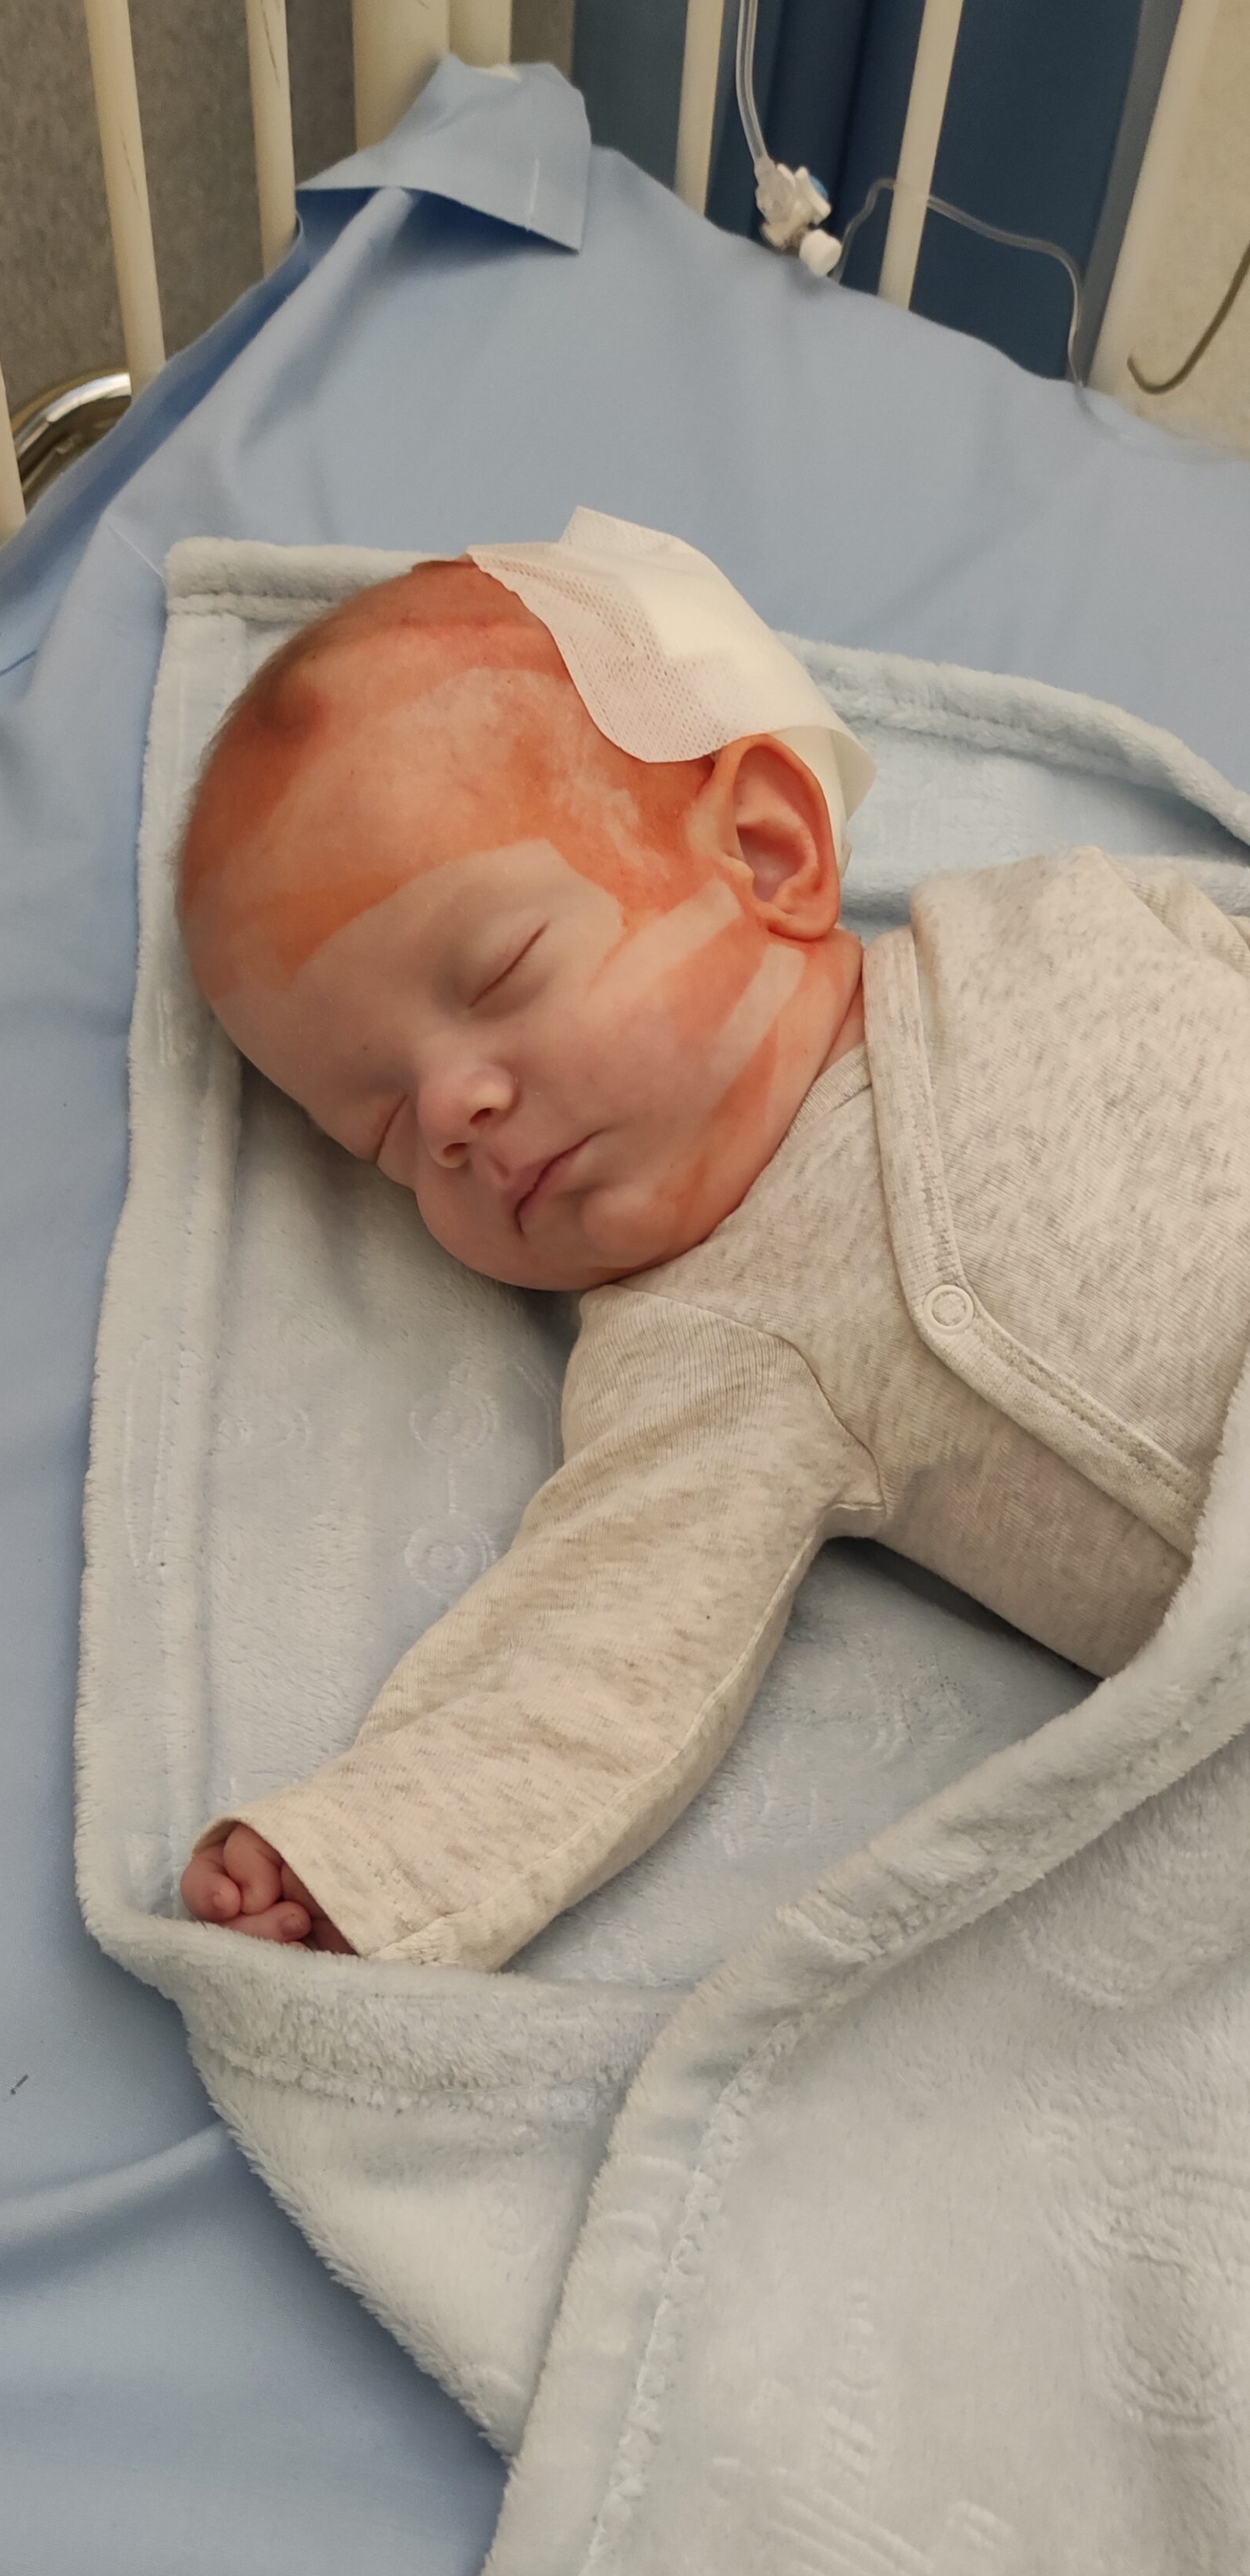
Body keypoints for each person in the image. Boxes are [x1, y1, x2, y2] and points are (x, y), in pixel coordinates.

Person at [175, 513, 1250, 1970]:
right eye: (381, 1133)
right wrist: (371, 1860)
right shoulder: (713, 1336)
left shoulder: (1059, 910)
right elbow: (598, 1653)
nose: (449, 1115)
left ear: (768, 851)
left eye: (499, 974)